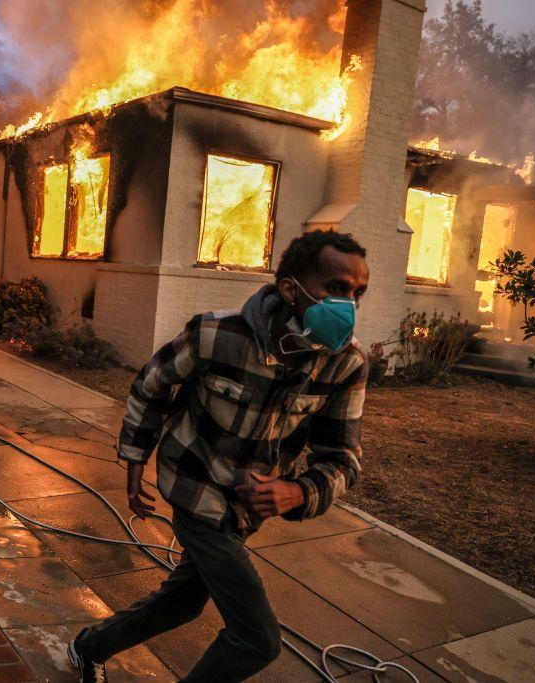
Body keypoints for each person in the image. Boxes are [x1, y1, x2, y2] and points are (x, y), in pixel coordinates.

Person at [67, 229, 370, 682]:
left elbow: (343, 457)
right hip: (194, 487)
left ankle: (87, 647)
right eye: (336, 288)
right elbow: (151, 385)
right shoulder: (215, 334)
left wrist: (299, 492)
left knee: (182, 603)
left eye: (358, 293)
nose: (348, 304)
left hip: (245, 511)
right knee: (257, 639)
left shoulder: (346, 364)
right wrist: (135, 460)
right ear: (291, 289)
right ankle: (88, 648)